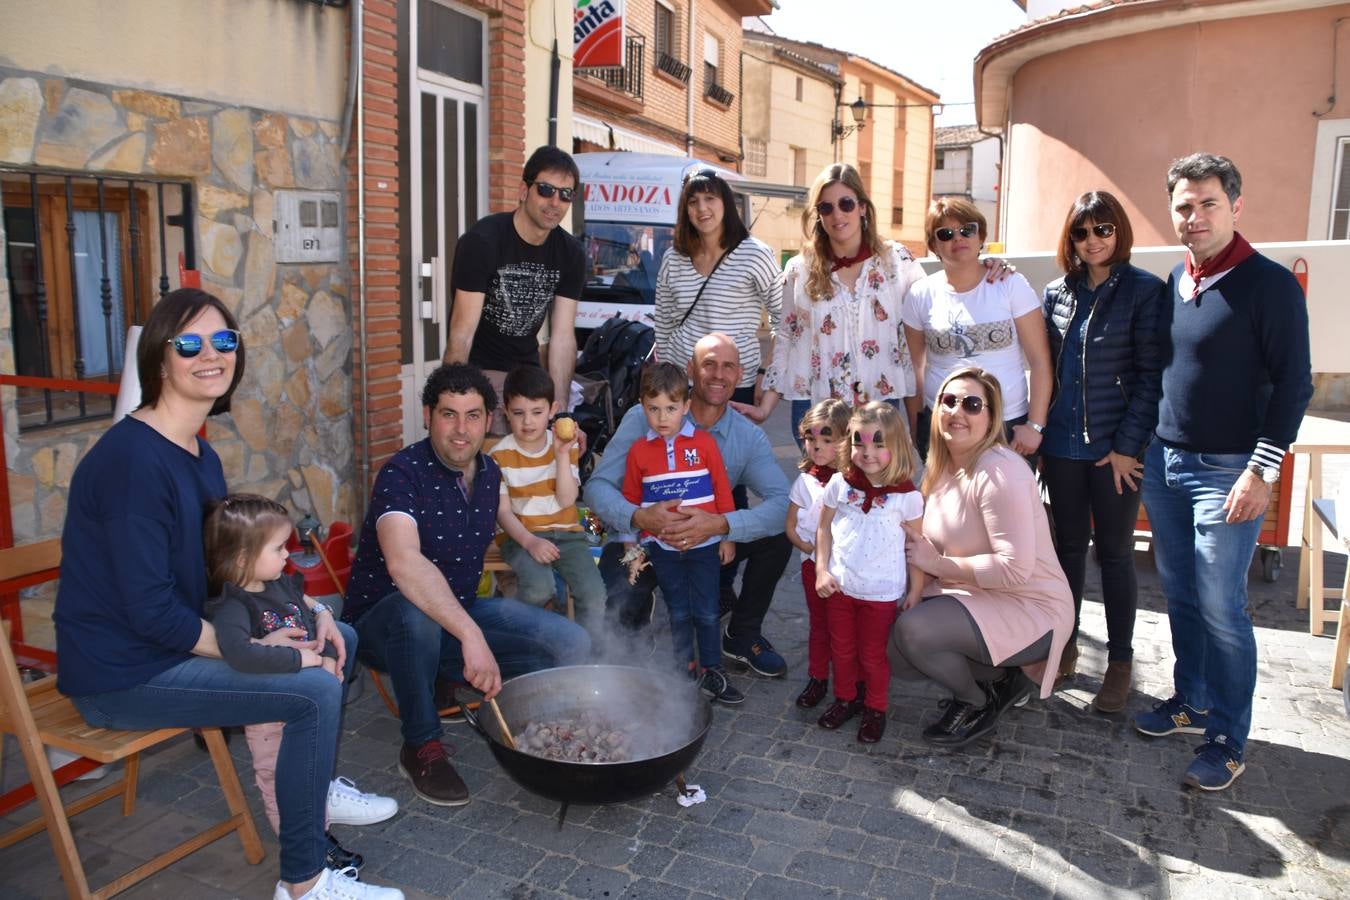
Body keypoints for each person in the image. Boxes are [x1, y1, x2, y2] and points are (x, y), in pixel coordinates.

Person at [54, 288, 403, 900]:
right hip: (124, 675)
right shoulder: (132, 464)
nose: (210, 354)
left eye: (225, 341)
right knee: (314, 685)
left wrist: (307, 611)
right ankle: (303, 881)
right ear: (159, 361)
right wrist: (271, 651)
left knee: (340, 633)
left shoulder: (199, 454)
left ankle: (308, 781)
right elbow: (151, 612)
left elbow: (229, 573)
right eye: (189, 344)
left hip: (169, 647)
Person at [1134, 153, 1312, 791]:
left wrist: (1262, 471)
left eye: (1207, 203)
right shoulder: (1177, 284)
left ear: (1235, 206)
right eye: (1184, 205)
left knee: (1221, 606)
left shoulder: (1269, 285)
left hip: (1231, 472)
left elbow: (1296, 385)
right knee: (1180, 594)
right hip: (1167, 461)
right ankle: (1193, 700)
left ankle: (1229, 739)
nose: (1194, 216)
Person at [343, 364, 591, 808]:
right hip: (386, 625)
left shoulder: (491, 473)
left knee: (568, 641)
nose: (461, 430)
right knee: (414, 613)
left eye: (473, 415)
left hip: (455, 615)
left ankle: (468, 686)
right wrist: (471, 635)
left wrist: (565, 448)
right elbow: (403, 564)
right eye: (449, 414)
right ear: (428, 415)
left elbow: (537, 500)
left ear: (489, 420)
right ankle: (420, 745)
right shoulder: (401, 475)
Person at [203, 494, 398, 877]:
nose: (288, 557)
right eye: (278, 549)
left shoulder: (277, 583)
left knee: (304, 773)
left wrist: (323, 627)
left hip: (303, 706)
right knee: (278, 783)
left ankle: (318, 814)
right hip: (269, 716)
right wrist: (303, 659)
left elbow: (309, 613)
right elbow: (240, 654)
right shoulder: (233, 607)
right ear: (242, 559)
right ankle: (310, 846)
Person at [584, 333, 792, 677]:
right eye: (708, 364)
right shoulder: (645, 416)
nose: (718, 375)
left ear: (740, 376)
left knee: (780, 535)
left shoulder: (747, 436)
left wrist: (722, 525)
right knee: (618, 621)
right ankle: (641, 626)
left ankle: (741, 635)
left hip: (710, 542)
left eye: (728, 367)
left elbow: (784, 502)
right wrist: (639, 516)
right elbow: (598, 486)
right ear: (690, 370)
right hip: (648, 540)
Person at [890, 367, 1073, 748]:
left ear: (992, 417)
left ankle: (975, 701)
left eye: (972, 404)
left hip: (1030, 606)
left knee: (915, 632)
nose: (958, 411)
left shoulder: (999, 471)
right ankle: (1002, 676)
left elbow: (1014, 568)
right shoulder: (940, 467)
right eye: (948, 401)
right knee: (893, 649)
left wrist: (936, 566)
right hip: (974, 593)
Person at [1040, 191, 1164, 712]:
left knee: (1113, 554)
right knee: (1066, 549)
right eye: (1082, 232)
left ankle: (1119, 662)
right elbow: (1044, 368)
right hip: (1063, 446)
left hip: (1116, 452)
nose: (1092, 241)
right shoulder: (1054, 293)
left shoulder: (1144, 292)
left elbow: (1151, 377)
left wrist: (1127, 447)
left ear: (1119, 233)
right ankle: (1065, 644)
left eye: (1103, 230)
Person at [744, 163, 924, 440]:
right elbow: (787, 336)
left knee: (873, 483)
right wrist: (766, 405)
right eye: (826, 208)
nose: (837, 215)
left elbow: (931, 313)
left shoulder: (896, 262)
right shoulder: (799, 268)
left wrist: (990, 269)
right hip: (816, 412)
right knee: (821, 485)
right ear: (818, 215)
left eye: (846, 204)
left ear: (862, 207)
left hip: (878, 410)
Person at [618, 362, 740, 703]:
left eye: (671, 408)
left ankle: (713, 671)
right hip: (663, 550)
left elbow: (721, 490)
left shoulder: (704, 444)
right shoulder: (639, 451)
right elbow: (631, 502)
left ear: (686, 406)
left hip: (705, 546)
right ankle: (684, 670)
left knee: (707, 610)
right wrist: (633, 549)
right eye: (654, 409)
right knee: (679, 611)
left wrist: (727, 535)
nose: (662, 417)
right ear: (643, 408)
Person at [902, 198, 1052, 460]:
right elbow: (915, 369)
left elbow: (1040, 361)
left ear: (981, 235)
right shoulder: (920, 295)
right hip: (946, 425)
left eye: (967, 230)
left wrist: (1034, 426)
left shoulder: (1010, 284)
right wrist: (918, 429)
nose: (958, 238)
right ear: (934, 245)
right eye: (945, 234)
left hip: (1005, 425)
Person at [813, 402, 925, 744]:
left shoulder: (907, 497)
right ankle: (846, 698)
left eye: (879, 444)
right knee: (842, 650)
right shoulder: (838, 483)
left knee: (872, 655)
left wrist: (916, 589)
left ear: (897, 447)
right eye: (860, 443)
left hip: (881, 593)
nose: (868, 452)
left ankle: (875, 707)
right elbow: (823, 528)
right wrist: (821, 569)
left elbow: (917, 546)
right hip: (840, 587)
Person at [445, 145, 587, 411]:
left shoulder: (571, 253)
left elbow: (563, 337)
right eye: (546, 190)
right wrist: (452, 401)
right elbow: (461, 334)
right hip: (480, 372)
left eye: (566, 194)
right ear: (524, 191)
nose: (555, 202)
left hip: (528, 374)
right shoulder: (482, 241)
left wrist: (560, 411)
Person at [653, 167, 782, 405]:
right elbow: (662, 324)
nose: (702, 208)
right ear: (685, 210)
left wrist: (767, 371)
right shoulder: (673, 258)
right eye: (693, 201)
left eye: (709, 198)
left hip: (735, 383)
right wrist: (665, 376)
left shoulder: (755, 254)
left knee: (729, 443)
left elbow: (786, 319)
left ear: (726, 203)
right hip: (681, 382)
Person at [489, 365, 605, 628]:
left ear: (552, 410)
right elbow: (503, 512)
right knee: (539, 590)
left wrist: (563, 455)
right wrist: (530, 542)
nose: (528, 421)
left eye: (537, 412)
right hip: (520, 537)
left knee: (594, 594)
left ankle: (587, 655)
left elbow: (566, 501)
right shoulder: (498, 455)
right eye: (518, 413)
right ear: (505, 411)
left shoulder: (564, 445)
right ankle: (510, 628)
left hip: (568, 535)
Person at [786, 399, 852, 709]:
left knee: (844, 631)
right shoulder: (805, 482)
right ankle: (817, 678)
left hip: (847, 570)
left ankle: (849, 685)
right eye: (811, 439)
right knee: (820, 625)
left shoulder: (855, 484)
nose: (817, 447)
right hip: (813, 567)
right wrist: (809, 549)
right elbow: (790, 526)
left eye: (827, 440)